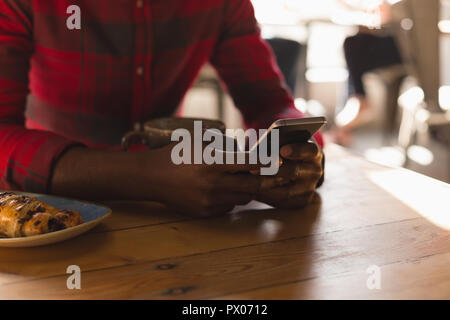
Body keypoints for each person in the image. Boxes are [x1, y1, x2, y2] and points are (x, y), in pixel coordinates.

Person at [0, 0, 324, 216]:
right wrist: (145, 176)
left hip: (181, 218)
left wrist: (295, 153)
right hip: (49, 213)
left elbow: (270, 103)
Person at [335, 0, 403, 144]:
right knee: (353, 46)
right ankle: (358, 100)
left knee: (353, 47)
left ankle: (358, 100)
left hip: (408, 46)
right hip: (387, 34)